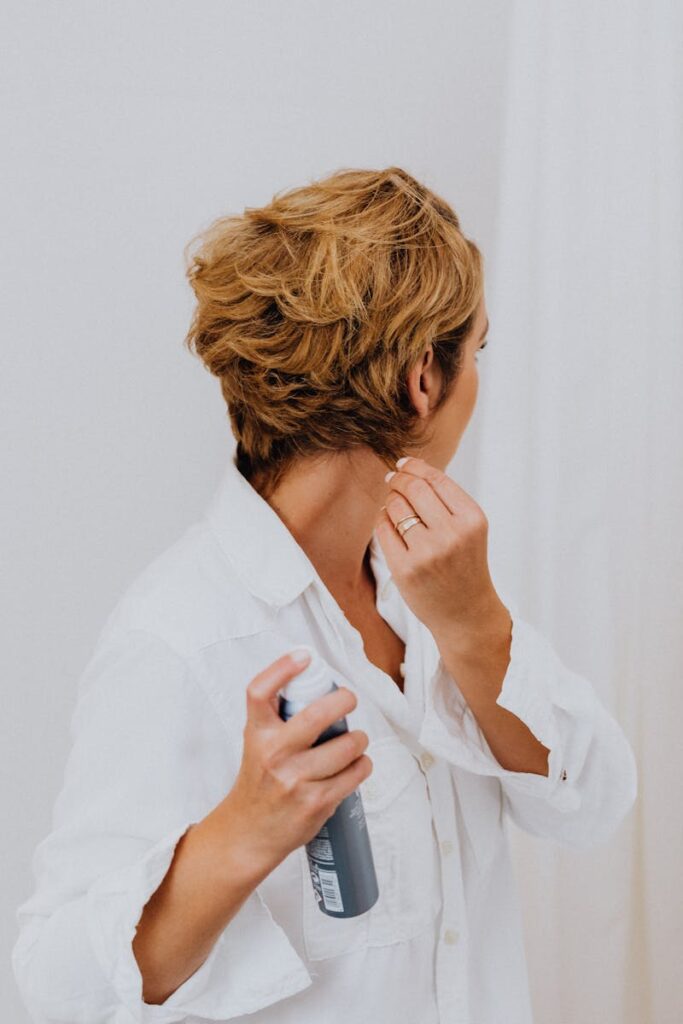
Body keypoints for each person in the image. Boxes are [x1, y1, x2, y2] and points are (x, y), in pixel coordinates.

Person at [12, 166, 637, 1024]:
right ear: (423, 377)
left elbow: (591, 806)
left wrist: (477, 627)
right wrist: (238, 835)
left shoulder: (433, 583)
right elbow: (51, 991)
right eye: (476, 350)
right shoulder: (183, 637)